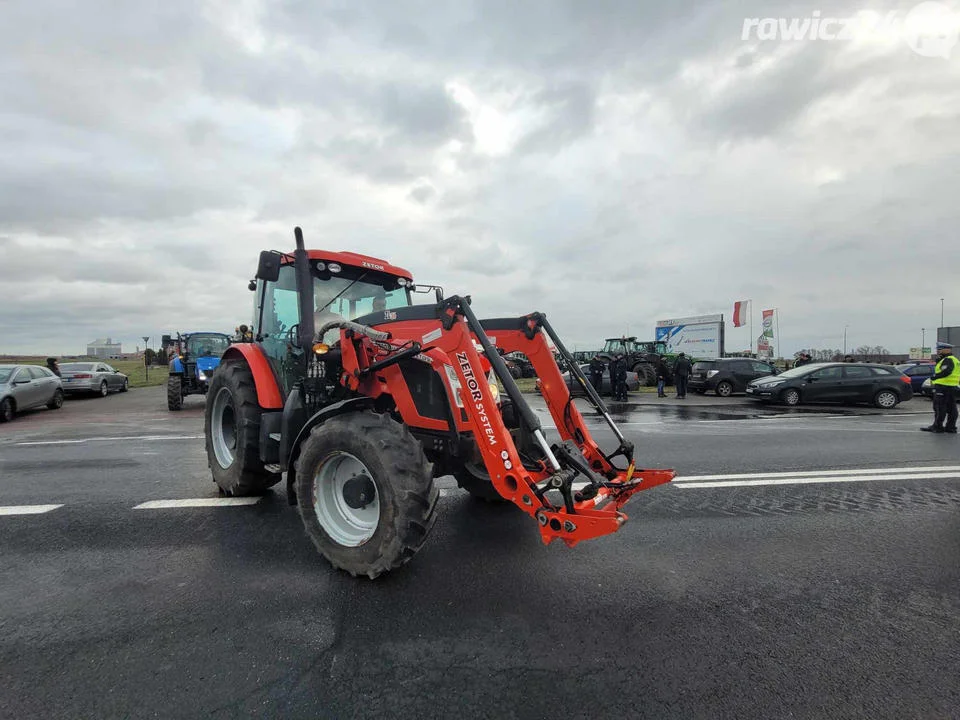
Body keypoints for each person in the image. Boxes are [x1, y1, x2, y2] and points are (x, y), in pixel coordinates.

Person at [921, 341, 959, 434]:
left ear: (947, 350)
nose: (938, 351)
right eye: (938, 349)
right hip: (952, 386)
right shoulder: (954, 359)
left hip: (943, 387)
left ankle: (938, 426)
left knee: (940, 407)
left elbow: (946, 371)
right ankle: (951, 427)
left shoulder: (948, 359)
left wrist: (935, 377)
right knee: (951, 408)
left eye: (940, 349)